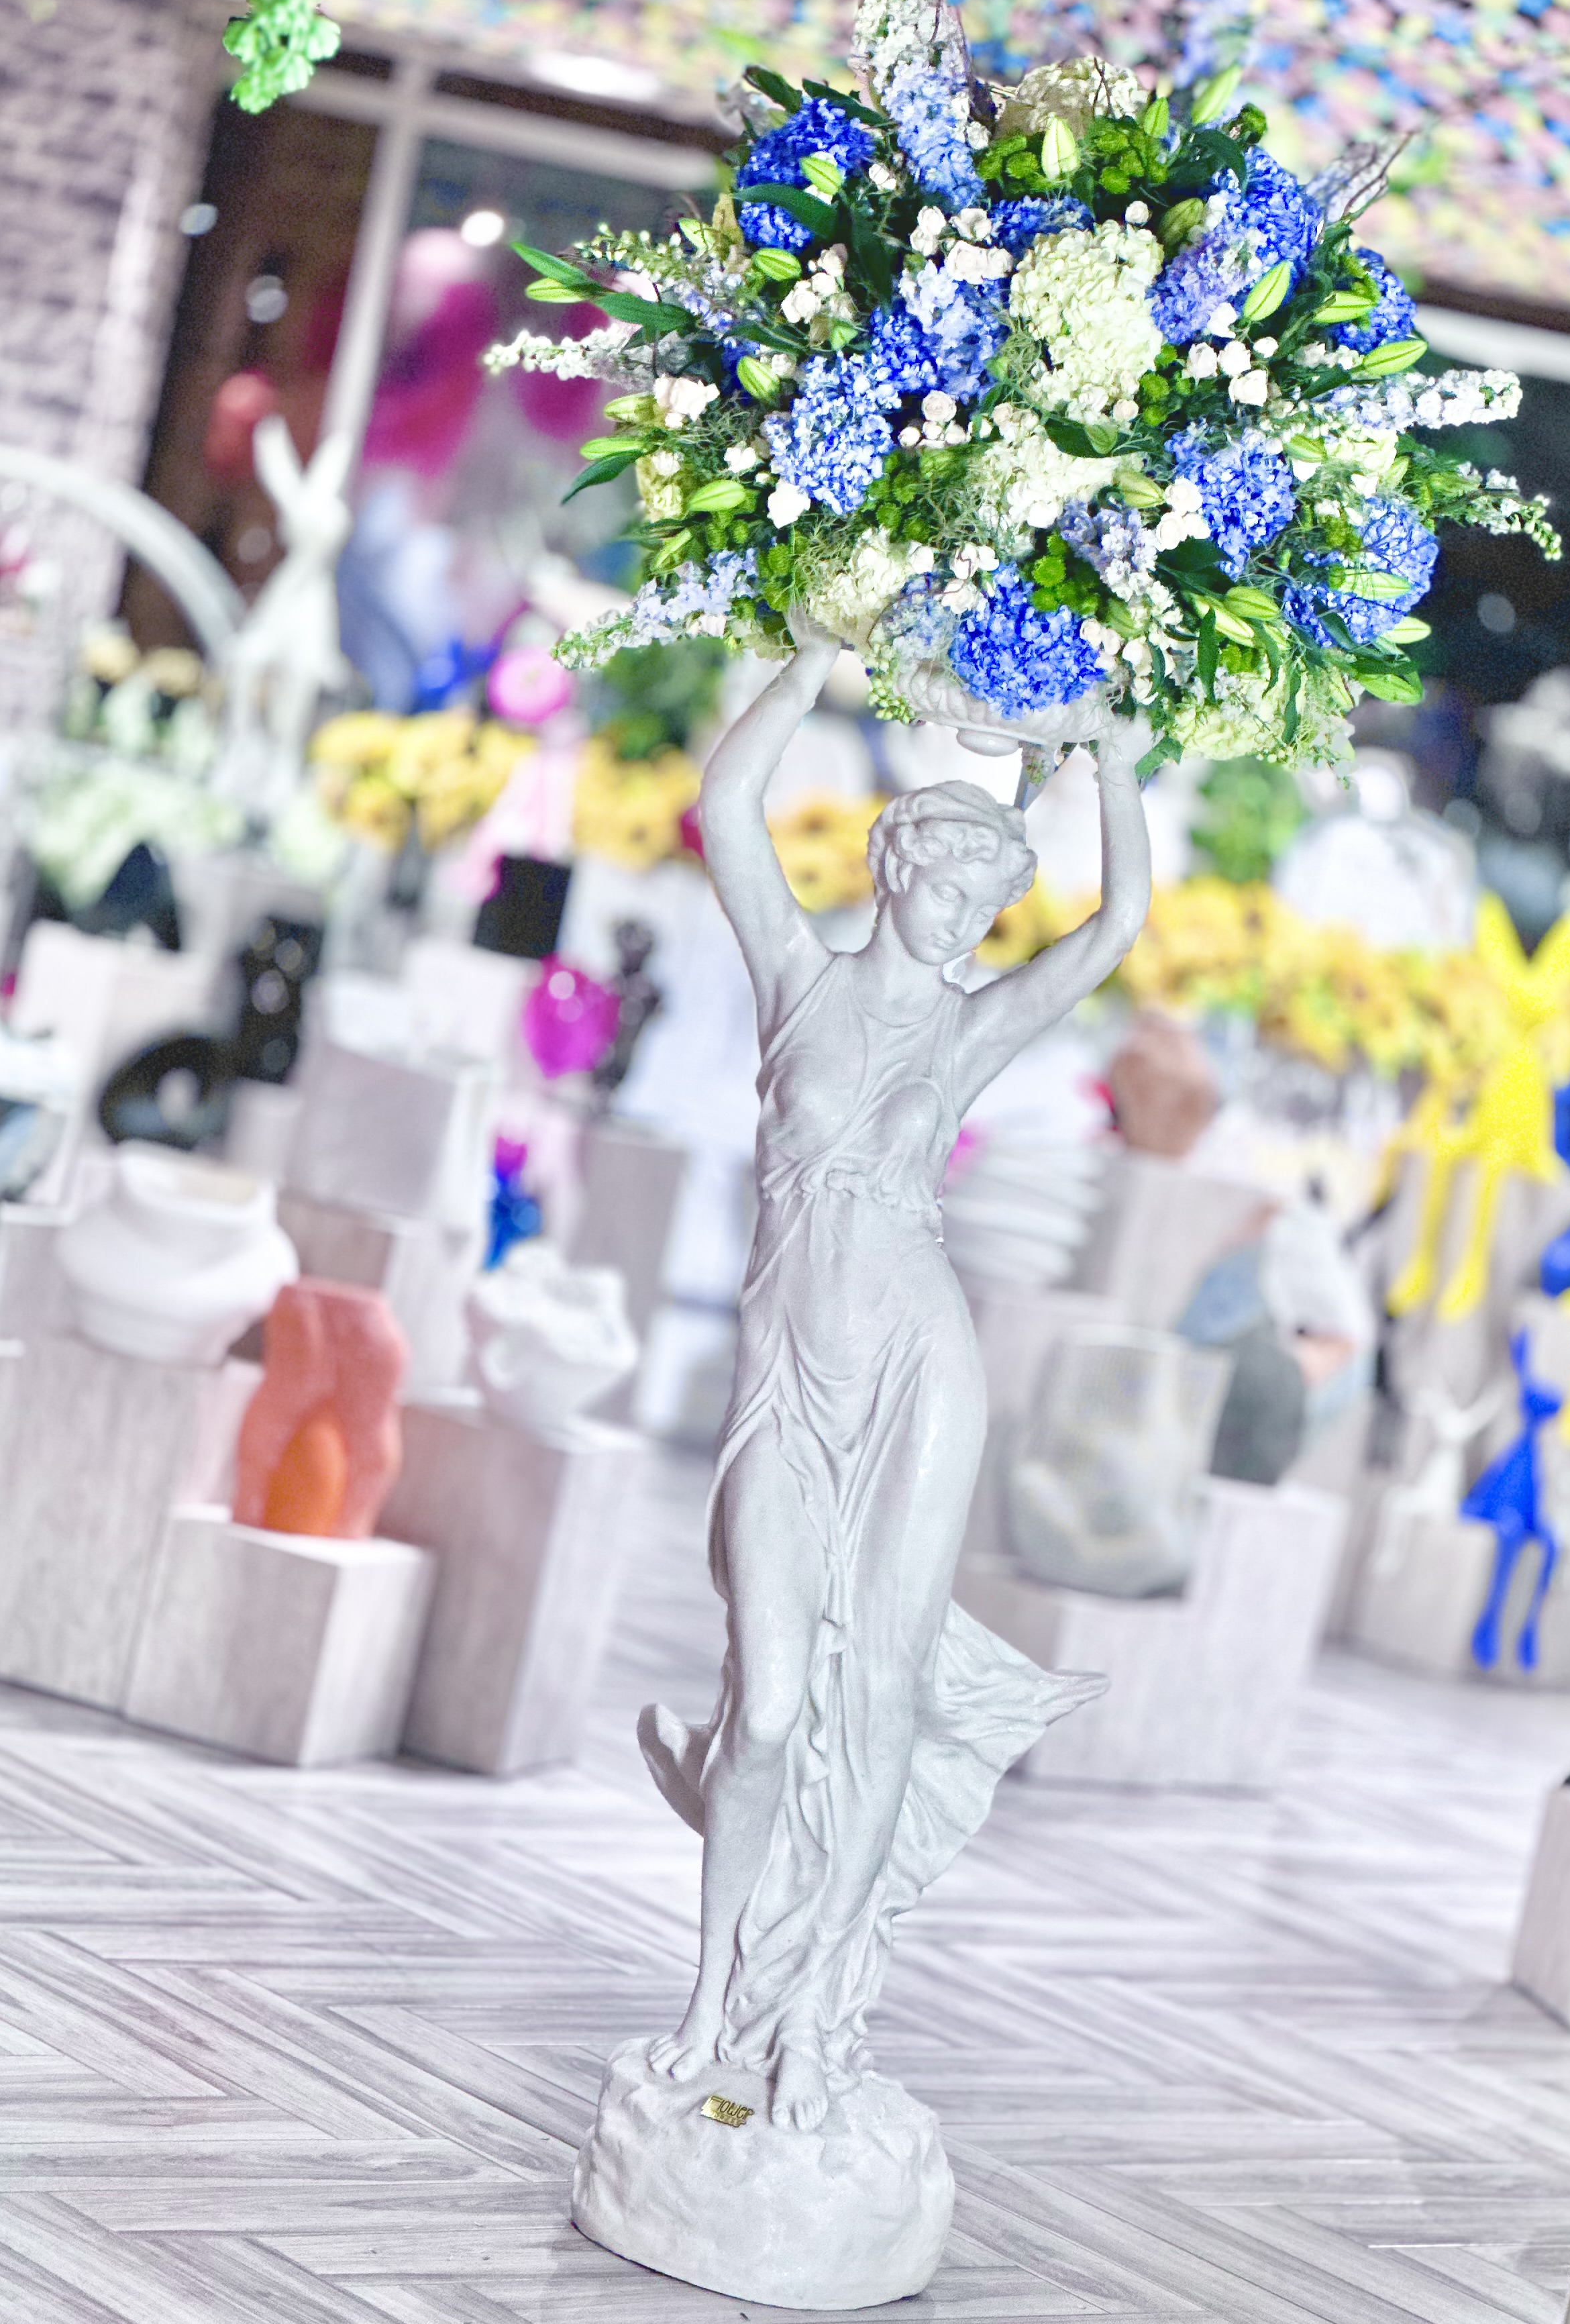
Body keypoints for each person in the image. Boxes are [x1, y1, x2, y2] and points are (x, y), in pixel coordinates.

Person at [638, 626, 1152, 2131]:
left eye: (991, 905)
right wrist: (807, 662)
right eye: (951, 890)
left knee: (873, 1697)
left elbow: (1116, 925)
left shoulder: (975, 1025)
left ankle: (806, 2023)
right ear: (895, 866)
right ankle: (710, 2001)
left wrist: (1114, 756)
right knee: (768, 1707)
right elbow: (725, 811)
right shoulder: (795, 979)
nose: (970, 921)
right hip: (788, 1382)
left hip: (922, 1369)